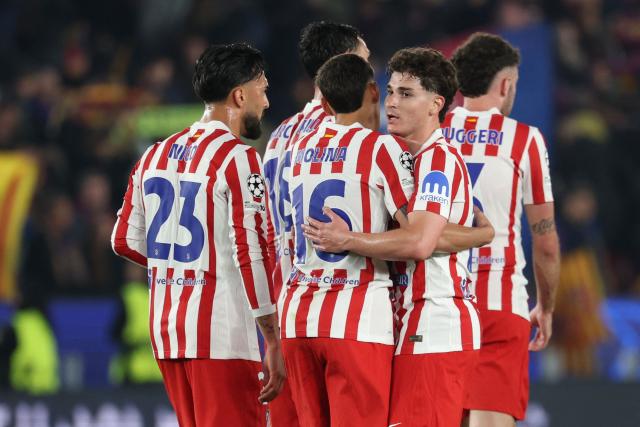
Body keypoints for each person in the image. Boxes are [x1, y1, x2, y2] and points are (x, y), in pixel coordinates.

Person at [303, 47, 488, 426]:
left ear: (436, 104)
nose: (391, 103)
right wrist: (481, 233)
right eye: (390, 92)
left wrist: (349, 239)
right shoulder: (409, 160)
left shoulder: (437, 161)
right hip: (414, 325)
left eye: (406, 94)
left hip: (434, 322)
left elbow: (419, 242)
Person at [111, 42, 285, 427]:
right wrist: (273, 337)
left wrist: (178, 266)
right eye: (263, 90)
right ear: (239, 95)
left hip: (168, 333)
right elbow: (251, 251)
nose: (267, 103)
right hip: (221, 336)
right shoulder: (239, 157)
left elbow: (122, 239)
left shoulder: (154, 154)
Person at [447, 33, 560, 426]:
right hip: (500, 303)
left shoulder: (429, 135)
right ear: (506, 84)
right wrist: (545, 307)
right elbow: (544, 242)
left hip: (437, 301)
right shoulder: (524, 141)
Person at [262, 21, 369, 426]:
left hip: (290, 310)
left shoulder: (279, 138)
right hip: (347, 313)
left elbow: (268, 232)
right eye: (364, 62)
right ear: (344, 65)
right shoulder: (353, 133)